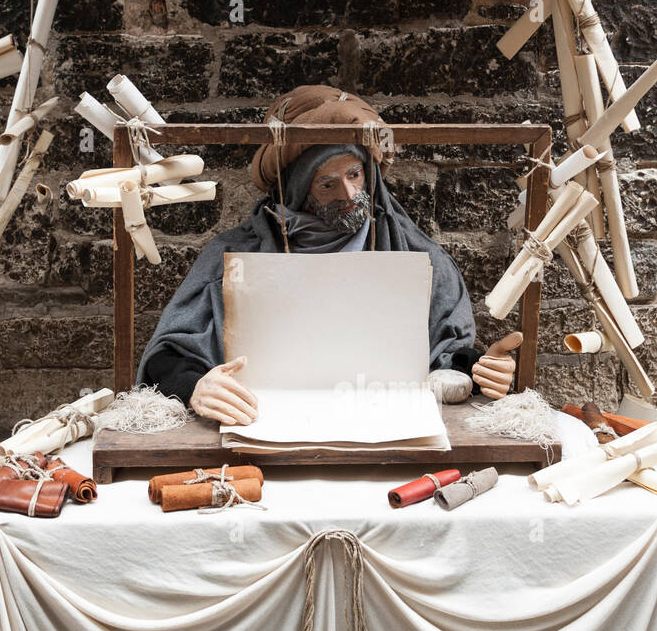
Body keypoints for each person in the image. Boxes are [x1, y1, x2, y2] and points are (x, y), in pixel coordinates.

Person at [136, 85, 521, 426]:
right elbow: (166, 357)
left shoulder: (419, 257)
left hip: (386, 435)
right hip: (261, 429)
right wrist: (195, 386)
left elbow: (448, 358)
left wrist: (482, 368)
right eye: (327, 182)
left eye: (355, 174)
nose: (350, 194)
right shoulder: (232, 258)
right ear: (298, 189)